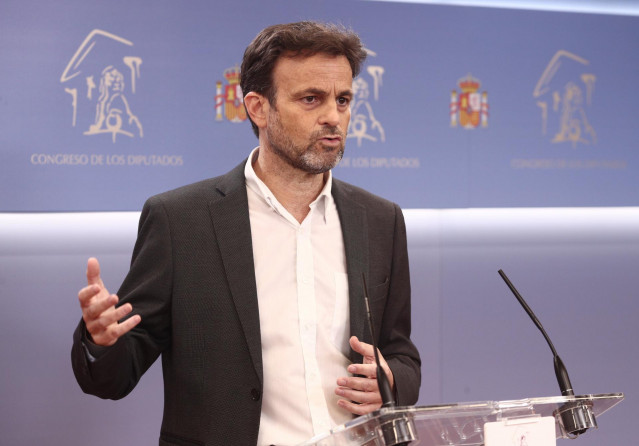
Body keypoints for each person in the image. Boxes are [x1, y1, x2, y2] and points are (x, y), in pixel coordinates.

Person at [72, 21, 421, 446]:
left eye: (343, 99)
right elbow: (116, 375)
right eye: (311, 99)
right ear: (258, 108)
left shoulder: (381, 220)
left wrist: (390, 378)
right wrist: (100, 341)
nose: (333, 116)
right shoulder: (181, 221)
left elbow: (401, 354)